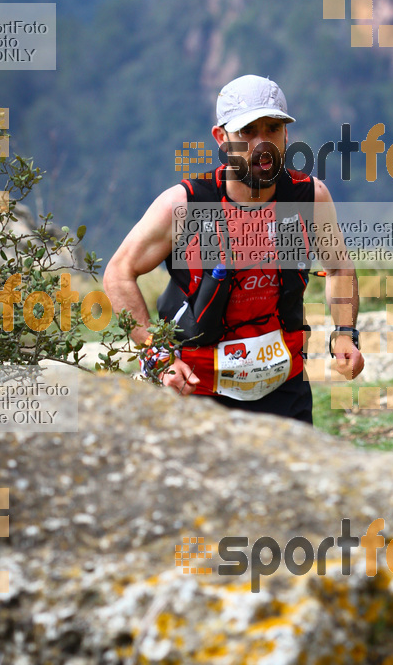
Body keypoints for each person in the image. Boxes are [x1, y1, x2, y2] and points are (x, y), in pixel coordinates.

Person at [103, 75, 364, 424]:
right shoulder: (185, 204)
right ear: (222, 139)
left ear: (286, 135)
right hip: (193, 388)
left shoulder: (309, 197)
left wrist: (345, 334)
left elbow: (339, 268)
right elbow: (119, 273)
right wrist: (156, 354)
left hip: (282, 386)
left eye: (272, 129)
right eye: (246, 132)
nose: (262, 144)